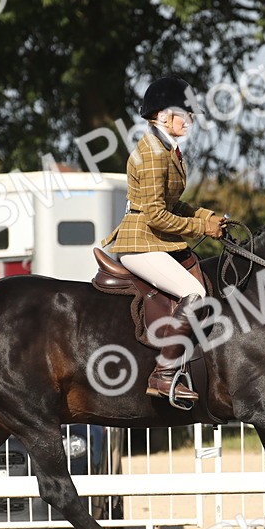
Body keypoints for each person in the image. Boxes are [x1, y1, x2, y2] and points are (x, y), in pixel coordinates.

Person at [102, 76, 226, 402]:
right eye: (184, 113)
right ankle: (163, 374)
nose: (190, 120)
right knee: (194, 292)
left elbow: (174, 204)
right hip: (140, 242)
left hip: (153, 239)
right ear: (162, 116)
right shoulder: (154, 154)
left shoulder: (166, 149)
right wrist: (201, 229)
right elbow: (157, 215)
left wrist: (205, 216)